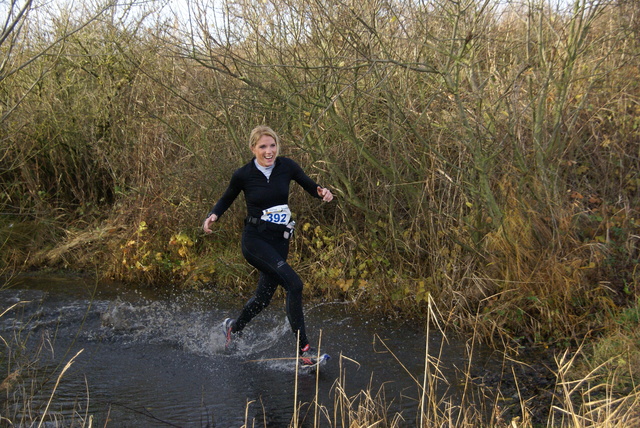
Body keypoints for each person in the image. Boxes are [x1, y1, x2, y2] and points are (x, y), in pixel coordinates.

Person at [202, 125, 333, 361]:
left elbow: (309, 184)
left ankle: (234, 327)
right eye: (263, 146)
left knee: (263, 298)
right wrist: (213, 215)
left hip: (280, 240)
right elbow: (226, 198)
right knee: (294, 284)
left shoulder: (287, 166)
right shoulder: (243, 174)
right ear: (254, 148)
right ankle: (304, 350)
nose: (269, 150)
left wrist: (322, 192)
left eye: (272, 145)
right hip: (255, 240)